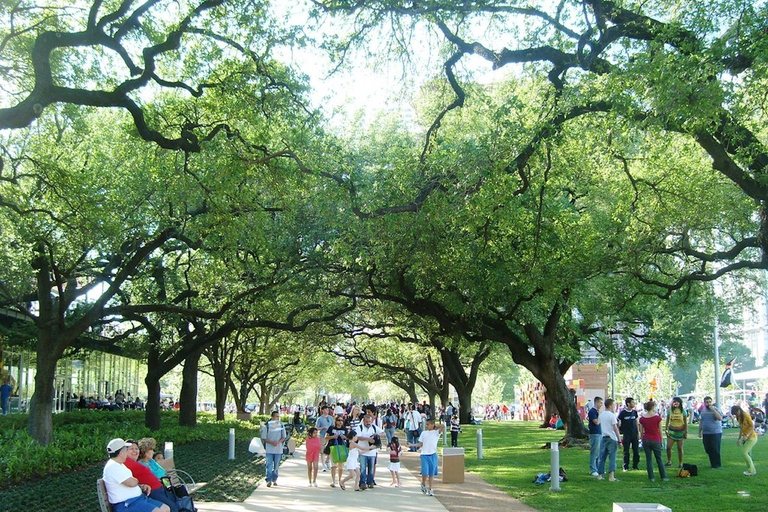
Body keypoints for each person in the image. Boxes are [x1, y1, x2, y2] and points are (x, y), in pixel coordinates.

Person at [102, 438, 170, 512]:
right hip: (127, 504)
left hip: (138, 499)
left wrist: (141, 486)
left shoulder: (120, 465)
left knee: (166, 508)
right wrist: (136, 481)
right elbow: (132, 483)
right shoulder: (113, 467)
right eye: (126, 450)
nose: (127, 452)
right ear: (121, 453)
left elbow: (130, 482)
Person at [124, 439, 180, 512]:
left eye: (136, 449)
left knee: (174, 504)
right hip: (151, 492)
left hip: (158, 488)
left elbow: (161, 471)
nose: (135, 451)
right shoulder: (125, 463)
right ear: (124, 451)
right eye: (131, 449)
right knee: (172, 507)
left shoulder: (137, 462)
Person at [407, 418, 445, 496]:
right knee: (425, 472)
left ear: (432, 425)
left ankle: (430, 488)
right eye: (426, 424)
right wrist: (412, 445)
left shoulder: (436, 433)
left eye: (428, 424)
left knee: (431, 473)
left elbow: (443, 426)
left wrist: (436, 427)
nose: (426, 426)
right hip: (424, 455)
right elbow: (420, 444)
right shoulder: (424, 433)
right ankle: (423, 483)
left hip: (433, 454)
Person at [638, 400, 667, 482]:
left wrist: (641, 438)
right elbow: (660, 431)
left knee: (648, 459)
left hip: (646, 439)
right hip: (655, 439)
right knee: (659, 458)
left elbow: (641, 431)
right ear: (653, 407)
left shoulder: (642, 418)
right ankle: (663, 476)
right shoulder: (657, 418)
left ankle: (651, 477)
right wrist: (661, 441)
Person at [354, 413, 385, 490]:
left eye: (369, 421)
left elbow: (383, 433)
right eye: (367, 421)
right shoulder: (359, 427)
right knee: (363, 468)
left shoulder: (374, 427)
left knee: (371, 469)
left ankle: (370, 482)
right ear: (363, 421)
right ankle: (362, 483)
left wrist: (377, 435)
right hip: (362, 451)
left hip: (372, 452)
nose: (368, 423)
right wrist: (368, 439)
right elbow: (358, 437)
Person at [596, 398, 622, 482]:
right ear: (610, 406)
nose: (614, 407)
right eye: (614, 405)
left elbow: (599, 423)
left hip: (604, 437)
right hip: (612, 438)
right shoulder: (612, 415)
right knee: (612, 457)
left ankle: (600, 475)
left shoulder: (602, 414)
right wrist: (620, 440)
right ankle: (611, 476)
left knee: (602, 457)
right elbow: (615, 428)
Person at [261, 410, 286, 487]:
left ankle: (274, 479)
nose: (277, 418)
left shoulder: (281, 426)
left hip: (278, 450)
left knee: (276, 466)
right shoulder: (267, 426)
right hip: (269, 449)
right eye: (276, 416)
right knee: (269, 465)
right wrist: (272, 442)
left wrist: (278, 442)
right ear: (272, 417)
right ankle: (268, 480)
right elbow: (264, 438)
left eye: (278, 416)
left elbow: (283, 437)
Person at [697, 396, 723, 468]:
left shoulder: (716, 409)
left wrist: (713, 410)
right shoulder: (703, 411)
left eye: (710, 402)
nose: (708, 403)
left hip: (715, 432)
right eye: (707, 402)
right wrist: (699, 431)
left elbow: (720, 418)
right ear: (704, 403)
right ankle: (712, 463)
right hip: (706, 433)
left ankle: (717, 464)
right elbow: (701, 421)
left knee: (715, 448)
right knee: (708, 448)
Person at [732, 405, 758, 476]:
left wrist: (747, 436)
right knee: (747, 454)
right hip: (745, 438)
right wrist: (739, 439)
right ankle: (751, 470)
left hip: (752, 437)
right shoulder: (739, 417)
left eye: (736, 413)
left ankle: (751, 470)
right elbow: (741, 428)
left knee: (744, 453)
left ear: (739, 410)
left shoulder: (746, 416)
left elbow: (753, 426)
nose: (736, 415)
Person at [325, 416, 348, 488]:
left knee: (340, 466)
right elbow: (326, 437)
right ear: (336, 421)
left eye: (341, 420)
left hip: (341, 447)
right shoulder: (331, 428)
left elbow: (348, 438)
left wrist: (344, 437)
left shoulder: (344, 429)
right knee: (333, 465)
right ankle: (333, 481)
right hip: (333, 447)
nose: (340, 422)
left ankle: (340, 480)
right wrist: (333, 437)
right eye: (338, 420)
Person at [665, 396, 688, 468]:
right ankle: (669, 461)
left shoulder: (683, 411)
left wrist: (686, 432)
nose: (676, 403)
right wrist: (666, 429)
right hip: (672, 431)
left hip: (681, 432)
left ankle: (680, 463)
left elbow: (685, 422)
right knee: (668, 447)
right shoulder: (669, 410)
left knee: (680, 448)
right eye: (674, 401)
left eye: (677, 402)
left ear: (680, 403)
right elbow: (667, 420)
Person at [617, 397, 640, 471]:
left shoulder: (634, 412)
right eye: (632, 402)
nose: (634, 404)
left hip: (634, 434)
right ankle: (625, 466)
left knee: (636, 451)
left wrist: (638, 432)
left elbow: (637, 423)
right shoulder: (623, 413)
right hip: (627, 435)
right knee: (626, 451)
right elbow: (619, 423)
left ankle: (635, 466)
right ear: (628, 404)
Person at [587, 396, 603, 476]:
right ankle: (592, 469)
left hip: (599, 433)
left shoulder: (596, 411)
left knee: (599, 452)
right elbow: (596, 422)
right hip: (594, 433)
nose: (601, 405)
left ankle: (597, 468)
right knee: (594, 452)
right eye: (600, 403)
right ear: (596, 402)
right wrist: (599, 414)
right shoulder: (592, 412)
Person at [315, 406, 334, 471]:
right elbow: (316, 428)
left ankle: (327, 461)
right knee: (322, 451)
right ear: (322, 410)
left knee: (330, 450)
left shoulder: (331, 418)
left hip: (330, 436)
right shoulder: (320, 419)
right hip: (322, 436)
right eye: (325, 409)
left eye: (327, 409)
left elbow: (333, 426)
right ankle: (323, 465)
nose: (327, 410)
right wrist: (323, 428)